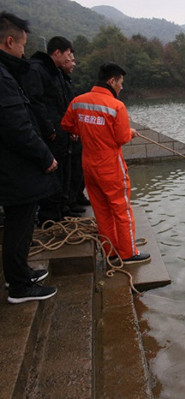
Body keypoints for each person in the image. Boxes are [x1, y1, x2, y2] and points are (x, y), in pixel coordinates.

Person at [61, 62, 151, 265]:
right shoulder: (115, 106)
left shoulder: (78, 101)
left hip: (89, 166)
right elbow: (120, 138)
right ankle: (128, 253)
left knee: (101, 211)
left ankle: (109, 251)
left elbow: (67, 125)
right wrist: (130, 133)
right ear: (112, 80)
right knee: (122, 210)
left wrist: (85, 131)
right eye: (121, 83)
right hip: (110, 167)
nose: (121, 87)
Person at [0, 11, 58, 303]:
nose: (24, 51)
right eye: (22, 45)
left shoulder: (8, 73)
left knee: (18, 222)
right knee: (19, 224)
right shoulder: (3, 77)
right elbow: (17, 126)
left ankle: (20, 272)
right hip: (13, 168)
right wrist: (45, 157)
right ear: (9, 42)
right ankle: (20, 286)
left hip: (12, 167)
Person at [22, 36, 76, 223]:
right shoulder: (37, 69)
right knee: (53, 173)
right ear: (57, 52)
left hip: (62, 131)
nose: (70, 59)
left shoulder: (56, 72)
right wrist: (49, 128)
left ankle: (62, 211)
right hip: (50, 133)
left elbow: (63, 103)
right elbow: (35, 102)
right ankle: (50, 218)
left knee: (64, 172)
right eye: (68, 54)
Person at [59, 51, 89, 213]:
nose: (73, 63)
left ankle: (77, 196)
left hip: (73, 132)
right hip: (66, 132)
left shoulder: (65, 80)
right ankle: (68, 202)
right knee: (72, 168)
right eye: (70, 59)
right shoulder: (54, 78)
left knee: (79, 167)